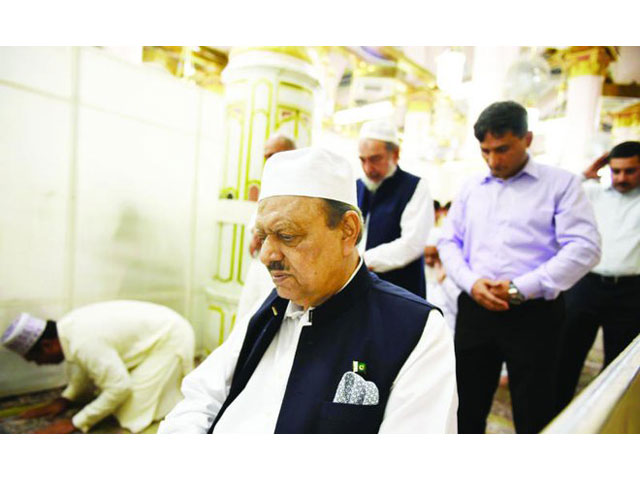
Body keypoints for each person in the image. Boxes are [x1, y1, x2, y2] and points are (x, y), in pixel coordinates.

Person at [159, 147, 457, 434]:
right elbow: (200, 397)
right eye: (262, 236)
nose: (266, 255)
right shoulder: (272, 307)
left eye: (287, 235)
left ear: (347, 231)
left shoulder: (415, 331)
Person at [438, 101, 601, 434]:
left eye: (503, 149)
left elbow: (585, 247)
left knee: (535, 408)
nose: (493, 161)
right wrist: (472, 283)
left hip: (534, 313)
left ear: (527, 139)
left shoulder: (561, 185)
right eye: (485, 151)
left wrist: (521, 287)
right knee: (466, 405)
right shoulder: (471, 188)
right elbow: (448, 242)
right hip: (476, 307)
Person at [1, 300, 195, 433]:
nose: (39, 365)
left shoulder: (82, 342)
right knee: (112, 400)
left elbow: (120, 387)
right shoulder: (67, 330)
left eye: (36, 359)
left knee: (129, 415)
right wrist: (65, 400)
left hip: (171, 337)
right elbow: (85, 368)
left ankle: (184, 401)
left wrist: (75, 422)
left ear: (47, 345)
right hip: (159, 333)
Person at [555, 141, 640, 413]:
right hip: (586, 286)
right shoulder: (593, 193)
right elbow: (558, 196)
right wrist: (589, 170)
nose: (621, 178)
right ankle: (556, 418)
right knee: (565, 356)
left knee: (618, 367)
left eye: (630, 171)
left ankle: (605, 420)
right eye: (616, 171)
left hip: (631, 292)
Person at [356, 120, 434, 297]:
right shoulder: (356, 187)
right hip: (361, 290)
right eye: (363, 160)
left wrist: (361, 260)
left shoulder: (415, 187)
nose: (368, 168)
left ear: (395, 154)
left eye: (375, 159)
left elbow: (412, 244)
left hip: (400, 291)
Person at [237, 134, 297, 322]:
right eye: (266, 157)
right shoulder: (269, 185)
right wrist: (256, 235)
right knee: (246, 318)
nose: (268, 162)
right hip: (258, 267)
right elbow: (255, 231)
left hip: (282, 270)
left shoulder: (299, 189)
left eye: (274, 156)